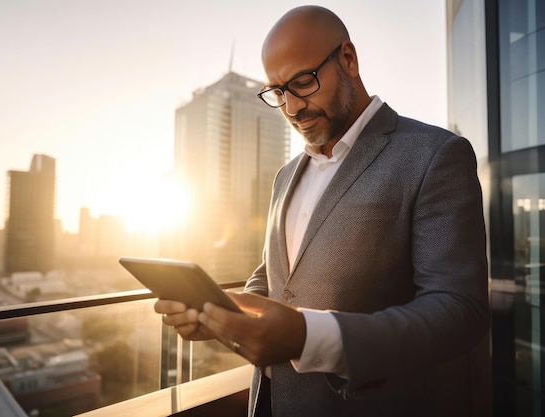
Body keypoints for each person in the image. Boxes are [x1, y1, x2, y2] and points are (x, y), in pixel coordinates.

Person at [156, 5, 491, 417]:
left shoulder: (435, 155)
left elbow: (460, 312)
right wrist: (224, 314)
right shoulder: (285, 175)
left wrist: (307, 338)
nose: (292, 108)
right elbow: (276, 277)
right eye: (278, 93)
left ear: (348, 59)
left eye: (302, 82)